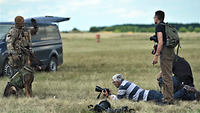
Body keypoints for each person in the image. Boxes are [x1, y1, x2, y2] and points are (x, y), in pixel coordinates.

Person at [102, 74, 200, 105]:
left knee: (167, 102)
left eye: (113, 82)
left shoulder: (123, 86)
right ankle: (194, 97)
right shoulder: (125, 83)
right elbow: (121, 96)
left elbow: (118, 100)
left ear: (118, 82)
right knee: (170, 101)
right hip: (150, 95)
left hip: (150, 95)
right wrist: (111, 94)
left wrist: (107, 96)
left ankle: (184, 89)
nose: (113, 84)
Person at [151, 10, 175, 104]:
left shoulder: (159, 27)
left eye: (154, 17)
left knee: (167, 77)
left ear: (157, 17)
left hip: (165, 53)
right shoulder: (165, 26)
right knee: (166, 75)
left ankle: (168, 100)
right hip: (170, 52)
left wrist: (156, 55)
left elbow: (161, 42)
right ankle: (166, 98)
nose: (154, 18)